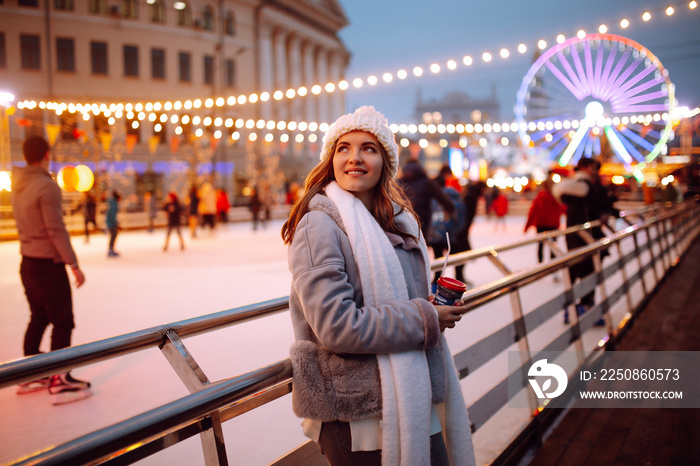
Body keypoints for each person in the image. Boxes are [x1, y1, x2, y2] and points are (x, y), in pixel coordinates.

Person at [281, 106, 475, 465]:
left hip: (410, 397)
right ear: (330, 159)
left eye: (368, 148)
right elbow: (337, 327)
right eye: (343, 148)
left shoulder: (397, 224)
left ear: (385, 161)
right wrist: (425, 317)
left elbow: (401, 300)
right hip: (355, 410)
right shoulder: (319, 226)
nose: (354, 157)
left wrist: (430, 305)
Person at [10, 136, 92, 404]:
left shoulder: (18, 186)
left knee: (39, 316)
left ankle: (29, 372)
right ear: (46, 154)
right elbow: (55, 228)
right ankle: (60, 379)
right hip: (48, 264)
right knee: (62, 321)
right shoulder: (46, 186)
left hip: (28, 262)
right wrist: (73, 264)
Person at [553, 157, 616, 324]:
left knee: (587, 271)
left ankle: (583, 305)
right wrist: (609, 202)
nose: (596, 171)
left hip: (588, 236)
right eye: (593, 168)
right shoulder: (581, 187)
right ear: (585, 168)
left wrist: (608, 209)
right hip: (580, 237)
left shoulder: (589, 187)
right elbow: (590, 206)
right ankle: (577, 306)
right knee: (580, 270)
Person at [397, 158, 455, 241]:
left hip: (401, 222)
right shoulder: (427, 183)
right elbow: (444, 200)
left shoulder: (397, 183)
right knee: (421, 245)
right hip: (422, 221)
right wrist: (451, 210)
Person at [524, 177, 565, 264]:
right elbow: (563, 209)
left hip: (541, 225)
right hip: (553, 225)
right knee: (553, 246)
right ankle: (552, 264)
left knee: (541, 245)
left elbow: (532, 212)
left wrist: (527, 226)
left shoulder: (540, 198)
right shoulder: (556, 198)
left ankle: (540, 264)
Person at [106, 190, 121, 257]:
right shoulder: (114, 204)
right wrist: (115, 223)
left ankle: (111, 249)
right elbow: (112, 214)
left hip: (110, 222)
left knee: (113, 235)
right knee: (113, 235)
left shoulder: (112, 203)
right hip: (111, 223)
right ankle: (110, 250)